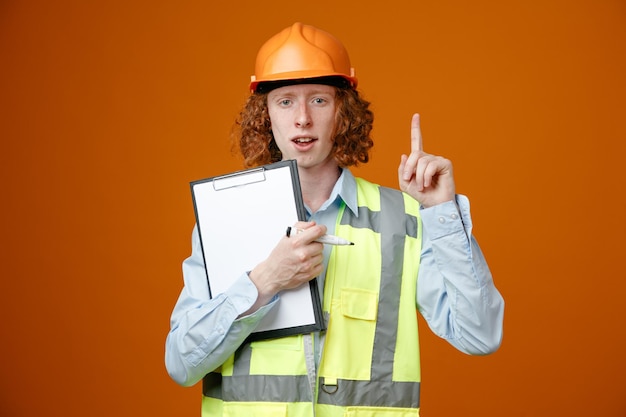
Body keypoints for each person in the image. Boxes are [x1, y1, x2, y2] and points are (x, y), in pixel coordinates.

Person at [165, 22, 504, 416]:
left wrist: (441, 213)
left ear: (344, 112)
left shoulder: (404, 220)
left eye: (320, 101)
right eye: (286, 101)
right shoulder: (226, 219)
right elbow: (181, 363)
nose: (303, 119)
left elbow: (480, 335)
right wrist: (265, 282)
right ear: (266, 116)